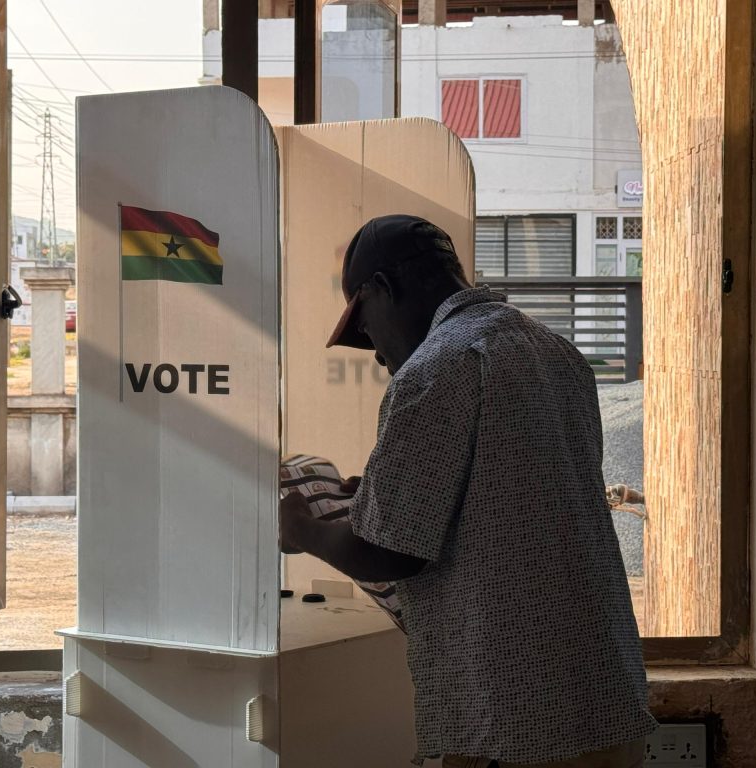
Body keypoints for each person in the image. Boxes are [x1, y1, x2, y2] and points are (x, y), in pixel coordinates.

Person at [279, 214, 656, 768]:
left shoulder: (436, 370)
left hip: (516, 725)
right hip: (605, 703)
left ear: (382, 289)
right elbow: (511, 502)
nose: (377, 353)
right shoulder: (556, 354)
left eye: (366, 328)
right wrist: (384, 496)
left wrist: (304, 531)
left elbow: (389, 555)